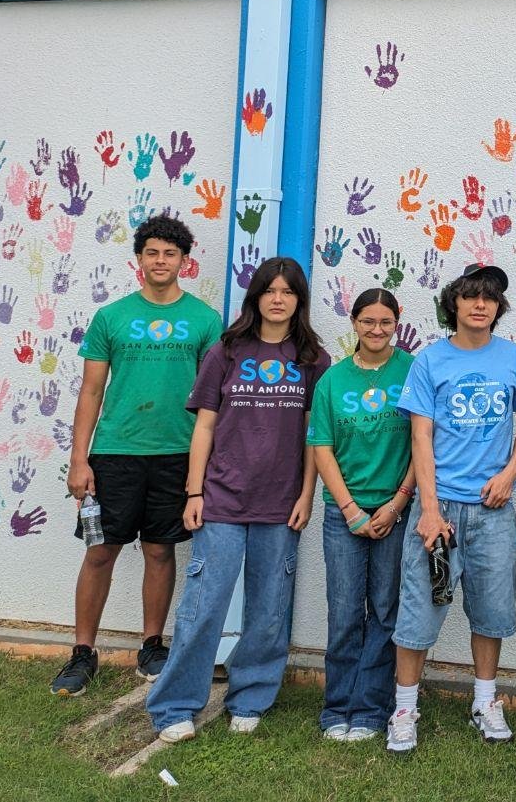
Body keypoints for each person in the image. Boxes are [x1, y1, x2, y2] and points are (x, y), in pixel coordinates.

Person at [145, 257, 329, 742]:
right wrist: (193, 490)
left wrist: (308, 494)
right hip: (221, 499)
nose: (277, 298)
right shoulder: (226, 350)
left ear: (298, 300)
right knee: (204, 605)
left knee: (269, 610)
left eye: (288, 291)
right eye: (269, 289)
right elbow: (203, 426)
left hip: (282, 503)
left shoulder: (313, 359)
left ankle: (250, 697)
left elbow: (317, 436)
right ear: (256, 296)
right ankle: (174, 705)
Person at [53, 216, 223, 697]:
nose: (161, 261)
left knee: (159, 550)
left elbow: (213, 402)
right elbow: (90, 393)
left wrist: (204, 467)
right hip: (114, 454)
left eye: (170, 254)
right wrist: (78, 459)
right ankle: (82, 654)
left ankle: (152, 645)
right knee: (100, 551)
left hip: (176, 454)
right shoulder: (112, 317)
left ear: (184, 262)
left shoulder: (206, 321)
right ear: (140, 261)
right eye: (152, 253)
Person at [386, 266, 516, 753]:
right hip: (440, 508)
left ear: (498, 307)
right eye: (470, 296)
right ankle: (405, 708)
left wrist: (511, 472)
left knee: (491, 610)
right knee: (419, 609)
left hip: (492, 509)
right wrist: (428, 511)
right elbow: (421, 435)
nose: (480, 305)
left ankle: (485, 702)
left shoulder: (514, 358)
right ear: (454, 303)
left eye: (490, 297)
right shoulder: (430, 361)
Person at [307, 287, 416, 742]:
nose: (376, 329)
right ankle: (338, 705)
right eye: (368, 321)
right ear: (354, 323)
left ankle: (372, 707)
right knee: (345, 610)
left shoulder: (413, 371)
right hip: (343, 514)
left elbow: (423, 444)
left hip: (396, 508)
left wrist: (396, 504)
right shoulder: (332, 380)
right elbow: (321, 447)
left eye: (385, 322)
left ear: (397, 323)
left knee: (387, 610)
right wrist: (350, 509)